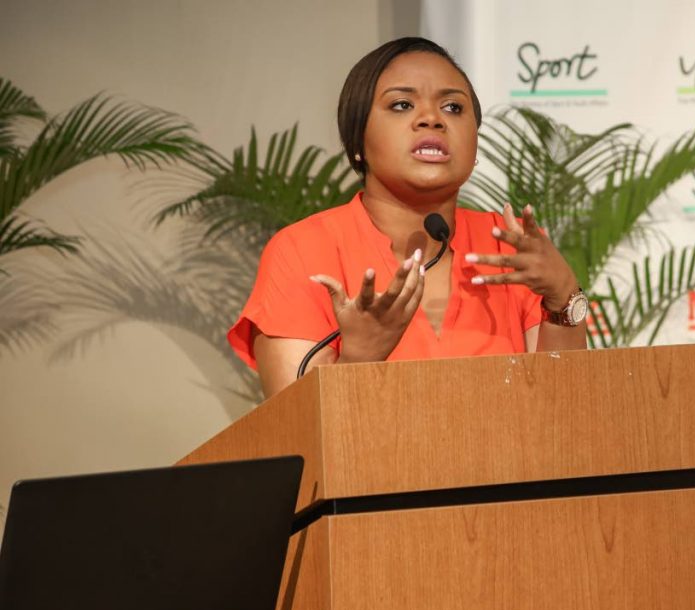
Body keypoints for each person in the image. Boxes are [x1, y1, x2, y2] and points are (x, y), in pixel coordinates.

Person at [228, 37, 588, 398]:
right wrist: (360, 358)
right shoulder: (303, 251)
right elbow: (298, 433)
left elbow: (560, 413)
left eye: (453, 107)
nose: (432, 119)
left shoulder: (509, 244)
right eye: (402, 104)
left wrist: (561, 299)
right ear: (357, 142)